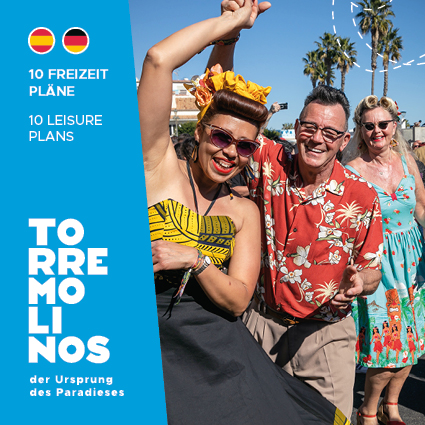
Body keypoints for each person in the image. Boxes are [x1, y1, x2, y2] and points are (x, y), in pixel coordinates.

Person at [138, 2, 346, 424]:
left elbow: (236, 300)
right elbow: (158, 60)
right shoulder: (156, 166)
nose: (230, 152)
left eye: (246, 146)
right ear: (200, 131)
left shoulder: (244, 211)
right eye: (220, 137)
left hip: (217, 352)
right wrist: (230, 25)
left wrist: (195, 260)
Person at [208, 3, 383, 419]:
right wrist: (230, 32)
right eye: (310, 127)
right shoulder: (268, 161)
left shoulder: (362, 196)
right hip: (260, 325)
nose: (317, 138)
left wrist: (361, 282)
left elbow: (373, 270)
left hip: (326, 336)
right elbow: (220, 100)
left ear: (344, 140)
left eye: (330, 132)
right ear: (297, 127)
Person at [342, 95, 425, 425]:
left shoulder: (406, 161)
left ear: (394, 126)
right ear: (360, 130)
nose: (377, 131)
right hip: (378, 266)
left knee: (413, 343)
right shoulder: (352, 170)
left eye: (383, 124)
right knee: (388, 348)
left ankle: (392, 405)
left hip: (413, 263)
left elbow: (421, 207)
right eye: (369, 125)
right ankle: (368, 410)